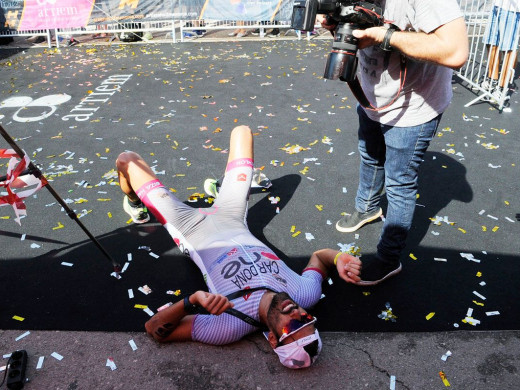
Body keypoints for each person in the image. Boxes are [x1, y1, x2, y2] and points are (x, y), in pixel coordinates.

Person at [115, 125, 362, 369]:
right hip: (231, 217)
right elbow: (319, 258)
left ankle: (134, 201)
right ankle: (223, 188)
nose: (297, 314)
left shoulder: (228, 327)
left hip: (191, 229)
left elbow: (155, 329)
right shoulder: (305, 295)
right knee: (242, 132)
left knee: (127, 160)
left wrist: (192, 302)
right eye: (307, 320)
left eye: (293, 327)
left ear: (273, 340)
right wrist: (339, 257)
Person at [321, 1, 469, 285]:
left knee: (399, 181)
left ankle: (388, 258)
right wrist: (339, 27)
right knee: (370, 155)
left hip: (414, 107)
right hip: (373, 98)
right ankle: (368, 207)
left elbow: (455, 51)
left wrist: (380, 35)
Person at [482, 0, 520, 93]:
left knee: (509, 47)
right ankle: (492, 80)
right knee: (490, 42)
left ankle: (503, 87)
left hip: (512, 9)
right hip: (497, 5)